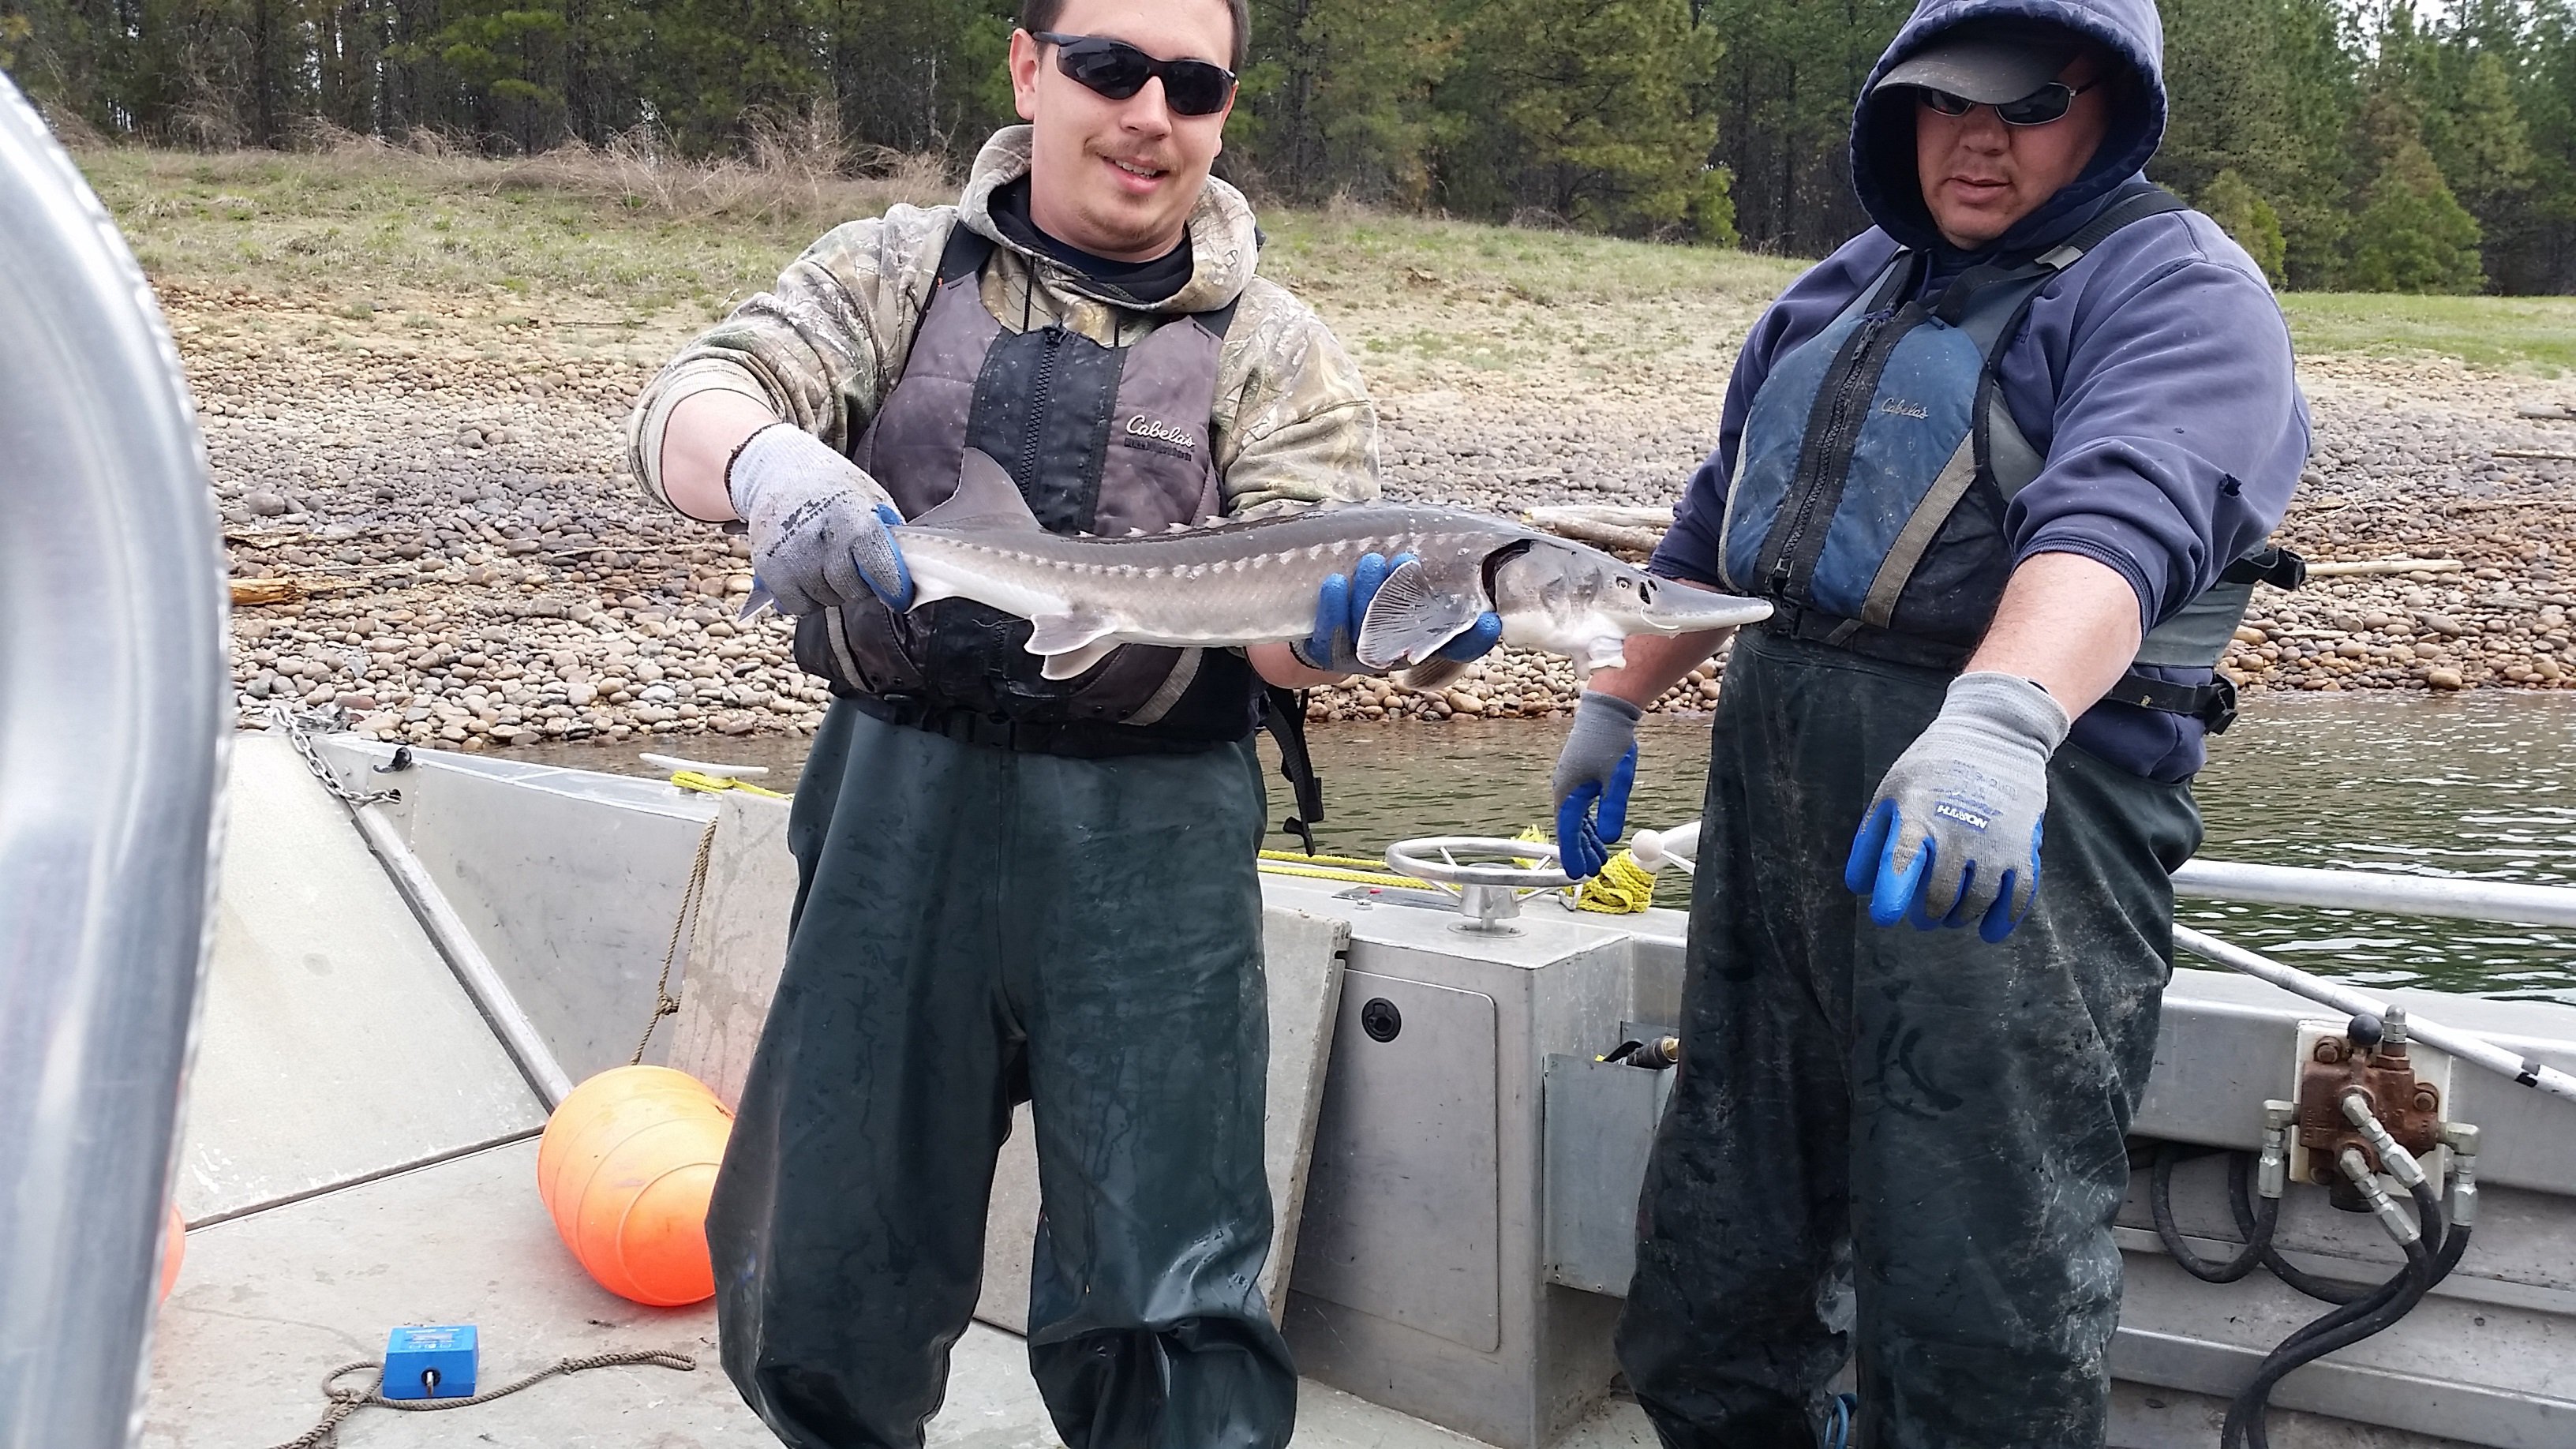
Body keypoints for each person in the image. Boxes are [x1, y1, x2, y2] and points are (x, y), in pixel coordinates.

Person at [623, 2, 1493, 1444]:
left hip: (1153, 838)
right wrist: (775, 467)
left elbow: (1277, 639)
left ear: (1225, 109)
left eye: (1195, 84)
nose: (1152, 114)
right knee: (826, 1246)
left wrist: (1373, 637)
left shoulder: (1276, 347)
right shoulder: (896, 267)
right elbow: (690, 399)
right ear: (1031, 68)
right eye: (1110, 68)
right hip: (894, 808)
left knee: (1169, 1283)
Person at [1547, 1, 2308, 1444]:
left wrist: (2002, 723)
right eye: (1946, 101)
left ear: (2111, 107)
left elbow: (2122, 517)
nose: (1977, 138)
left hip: (2014, 844)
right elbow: (1717, 531)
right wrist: (1613, 698)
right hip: (1775, 833)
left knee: (1978, 1294)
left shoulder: (2179, 294)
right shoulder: (1841, 289)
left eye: (2026, 107)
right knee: (1718, 1268)